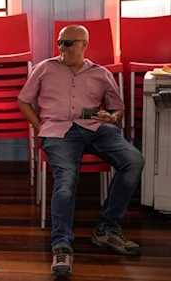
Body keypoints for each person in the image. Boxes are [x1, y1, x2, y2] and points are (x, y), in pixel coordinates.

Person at [17, 25, 144, 277]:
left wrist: (112, 118)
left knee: (133, 160)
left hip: (96, 128)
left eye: (68, 43)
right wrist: (41, 126)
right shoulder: (44, 68)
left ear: (84, 44)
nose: (62, 48)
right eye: (60, 42)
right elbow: (23, 101)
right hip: (57, 131)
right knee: (67, 179)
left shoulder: (101, 73)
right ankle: (61, 245)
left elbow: (118, 108)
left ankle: (107, 229)